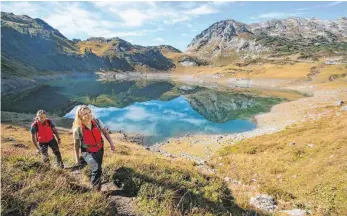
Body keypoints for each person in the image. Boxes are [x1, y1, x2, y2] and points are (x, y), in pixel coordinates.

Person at [72, 105, 115, 190]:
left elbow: (105, 133)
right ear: (80, 116)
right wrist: (76, 158)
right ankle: (95, 190)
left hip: (100, 149)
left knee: (98, 167)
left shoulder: (97, 122)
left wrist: (111, 144)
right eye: (85, 114)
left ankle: (97, 184)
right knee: (97, 168)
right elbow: (76, 145)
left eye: (89, 113)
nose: (88, 115)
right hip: (87, 151)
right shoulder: (78, 130)